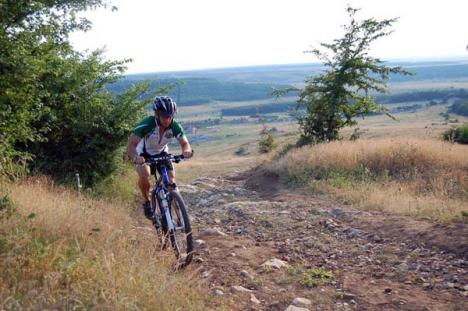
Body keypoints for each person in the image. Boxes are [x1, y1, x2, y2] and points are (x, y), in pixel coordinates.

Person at [127, 96, 193, 219]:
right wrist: (136, 157)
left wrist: (187, 151)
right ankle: (146, 201)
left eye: (170, 116)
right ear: (156, 114)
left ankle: (175, 205)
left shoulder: (174, 126)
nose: (167, 119)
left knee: (171, 180)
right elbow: (131, 144)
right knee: (144, 174)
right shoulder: (147, 124)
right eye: (163, 116)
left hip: (162, 153)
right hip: (143, 154)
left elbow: (185, 143)